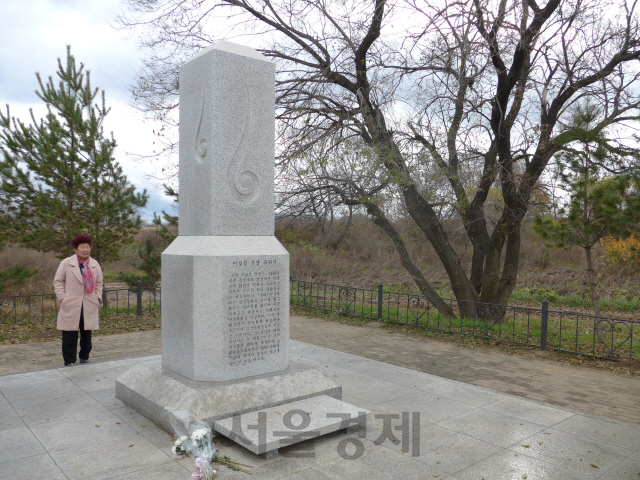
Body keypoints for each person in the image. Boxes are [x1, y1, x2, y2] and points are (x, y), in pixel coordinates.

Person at [54, 235, 104, 367]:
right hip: (71, 303)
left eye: (87, 247)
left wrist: (97, 297)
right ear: (75, 249)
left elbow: (99, 282)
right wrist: (63, 298)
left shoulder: (94, 264)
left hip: (88, 303)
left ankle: (84, 356)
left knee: (87, 334)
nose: (86, 250)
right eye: (82, 247)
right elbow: (58, 282)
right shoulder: (66, 263)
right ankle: (69, 360)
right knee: (69, 334)